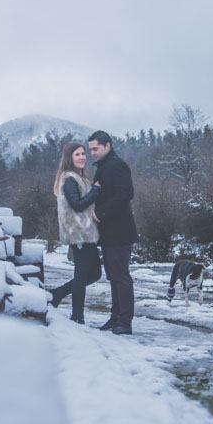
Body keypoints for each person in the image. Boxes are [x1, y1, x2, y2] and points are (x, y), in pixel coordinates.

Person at [88, 130, 138, 335]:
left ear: (107, 146)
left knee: (121, 276)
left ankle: (125, 322)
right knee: (113, 276)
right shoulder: (104, 166)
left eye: (96, 149)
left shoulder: (117, 165)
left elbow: (126, 193)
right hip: (108, 232)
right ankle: (116, 318)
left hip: (120, 231)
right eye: (91, 149)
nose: (92, 153)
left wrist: (101, 212)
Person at [47, 142, 103, 324]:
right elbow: (77, 205)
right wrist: (96, 190)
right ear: (69, 158)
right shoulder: (69, 179)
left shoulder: (79, 178)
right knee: (82, 276)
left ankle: (57, 294)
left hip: (87, 232)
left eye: (83, 154)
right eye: (77, 154)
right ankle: (77, 316)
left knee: (94, 274)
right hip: (79, 233)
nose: (82, 157)